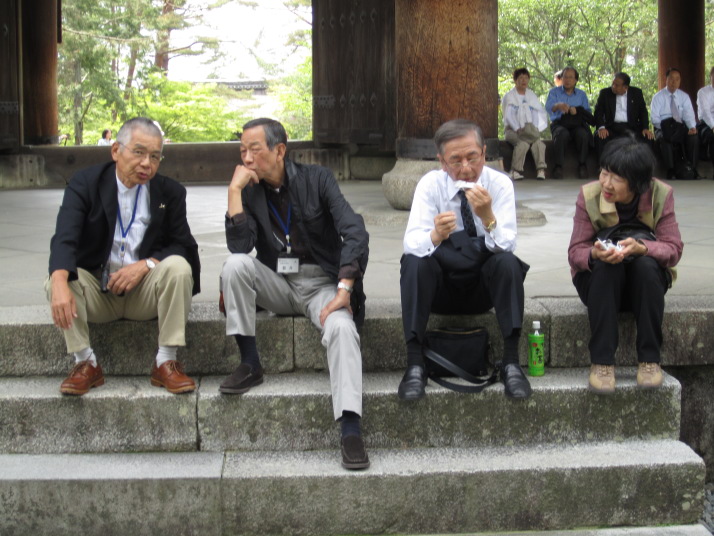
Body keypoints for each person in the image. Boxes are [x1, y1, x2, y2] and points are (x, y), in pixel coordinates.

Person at [219, 118, 370, 470]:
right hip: (277, 282)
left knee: (342, 328)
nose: (247, 158)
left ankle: (350, 429)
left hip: (322, 285)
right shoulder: (249, 191)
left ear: (280, 150)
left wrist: (344, 288)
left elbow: (355, 232)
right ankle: (250, 363)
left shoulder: (317, 179)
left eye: (254, 150)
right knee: (235, 266)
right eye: (242, 151)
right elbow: (240, 246)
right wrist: (234, 193)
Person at [47, 117, 201, 396]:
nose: (146, 164)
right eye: (139, 152)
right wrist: (57, 281)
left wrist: (146, 265)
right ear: (116, 150)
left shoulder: (170, 192)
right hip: (98, 292)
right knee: (61, 277)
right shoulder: (86, 183)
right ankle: (86, 362)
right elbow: (65, 237)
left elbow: (184, 245)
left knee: (178, 267)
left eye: (155, 156)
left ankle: (165, 361)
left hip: (144, 295)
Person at [398, 119, 532, 402]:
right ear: (442, 162)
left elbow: (508, 243)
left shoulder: (500, 184)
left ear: (484, 153)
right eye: (455, 161)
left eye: (473, 157)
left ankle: (511, 362)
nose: (466, 169)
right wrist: (435, 235)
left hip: (482, 289)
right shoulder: (430, 185)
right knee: (414, 262)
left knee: (508, 263)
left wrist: (488, 217)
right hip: (441, 289)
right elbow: (411, 243)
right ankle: (414, 364)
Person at [567, 136, 683, 394]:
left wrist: (644, 248)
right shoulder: (589, 195)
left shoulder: (660, 194)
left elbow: (673, 248)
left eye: (616, 178)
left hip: (644, 287)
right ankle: (602, 362)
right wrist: (595, 254)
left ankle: (650, 360)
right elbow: (575, 251)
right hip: (600, 285)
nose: (606, 183)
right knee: (607, 268)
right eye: (604, 172)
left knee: (646, 266)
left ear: (638, 182)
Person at [545, 66, 595, 179]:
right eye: (565, 77)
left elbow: (587, 112)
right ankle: (558, 166)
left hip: (576, 124)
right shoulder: (554, 92)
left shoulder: (581, 94)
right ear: (561, 78)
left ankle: (582, 165)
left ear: (576, 80)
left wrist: (577, 110)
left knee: (583, 134)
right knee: (561, 134)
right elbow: (548, 108)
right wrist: (558, 106)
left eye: (570, 77)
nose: (567, 80)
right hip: (559, 123)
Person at [651, 67, 699, 180]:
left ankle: (691, 168)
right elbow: (654, 118)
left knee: (693, 137)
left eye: (677, 79)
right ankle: (670, 170)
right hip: (663, 127)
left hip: (680, 127)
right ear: (666, 79)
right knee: (665, 138)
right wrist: (666, 128)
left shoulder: (684, 96)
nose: (674, 82)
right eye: (671, 79)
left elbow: (688, 114)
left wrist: (692, 127)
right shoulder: (658, 97)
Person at [593, 72, 654, 158]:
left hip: (631, 127)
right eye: (613, 83)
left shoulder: (636, 93)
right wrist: (601, 127)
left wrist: (645, 128)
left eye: (616, 85)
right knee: (600, 137)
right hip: (611, 127)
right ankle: (603, 164)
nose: (613, 86)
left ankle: (644, 165)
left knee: (648, 137)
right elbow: (598, 112)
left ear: (625, 87)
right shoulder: (605, 93)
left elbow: (643, 111)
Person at [502, 67, 548, 180]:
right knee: (522, 144)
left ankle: (541, 170)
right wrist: (517, 127)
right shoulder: (510, 96)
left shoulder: (531, 95)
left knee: (538, 143)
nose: (524, 80)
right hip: (512, 130)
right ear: (515, 80)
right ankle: (515, 171)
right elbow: (508, 115)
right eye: (521, 78)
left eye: (526, 78)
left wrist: (534, 127)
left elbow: (537, 113)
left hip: (528, 129)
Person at [696, 66, 714, 173]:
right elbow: (706, 112)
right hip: (706, 124)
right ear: (711, 76)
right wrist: (713, 126)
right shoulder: (703, 92)